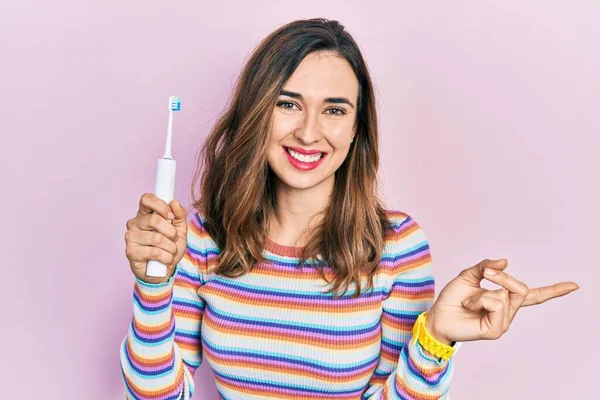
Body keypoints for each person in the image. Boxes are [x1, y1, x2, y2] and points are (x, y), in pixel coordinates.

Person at [120, 18, 579, 400]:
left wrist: (436, 338)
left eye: (334, 110)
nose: (308, 132)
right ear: (257, 112)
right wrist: (152, 284)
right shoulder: (201, 237)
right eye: (288, 104)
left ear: (357, 128)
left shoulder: (396, 246)